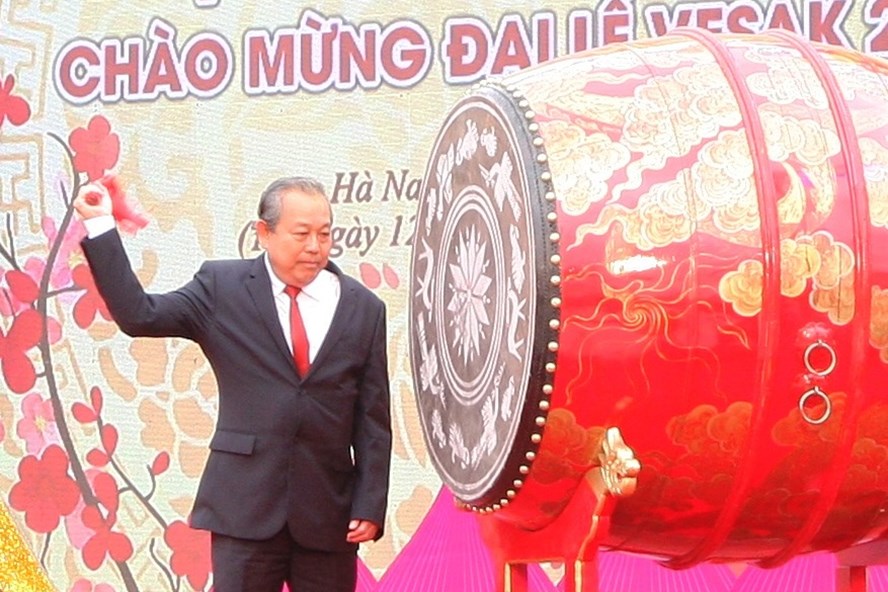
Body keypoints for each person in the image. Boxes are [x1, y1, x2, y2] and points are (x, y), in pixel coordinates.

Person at [73, 176, 392, 592]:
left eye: (325, 233)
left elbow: (373, 420)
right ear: (264, 232)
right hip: (244, 509)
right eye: (301, 234)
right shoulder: (221, 288)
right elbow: (140, 314)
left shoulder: (363, 308)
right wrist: (100, 225)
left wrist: (369, 504)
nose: (315, 246)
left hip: (327, 514)